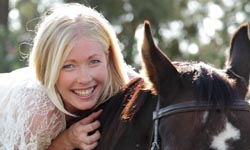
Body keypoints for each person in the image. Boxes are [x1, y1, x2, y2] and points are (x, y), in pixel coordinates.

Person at [0, 3, 138, 150]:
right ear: (48, 67)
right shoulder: (37, 109)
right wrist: (66, 141)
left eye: (94, 61)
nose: (84, 79)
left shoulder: (124, 82)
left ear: (108, 57)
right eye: (68, 66)